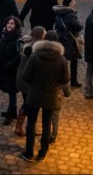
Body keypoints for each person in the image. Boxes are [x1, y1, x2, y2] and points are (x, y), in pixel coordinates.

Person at [18, 31, 70, 163]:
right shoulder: (62, 60)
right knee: (47, 124)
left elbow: (26, 76)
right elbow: (65, 80)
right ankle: (42, 154)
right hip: (52, 96)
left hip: (34, 94)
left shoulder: (35, 56)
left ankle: (29, 153)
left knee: (31, 123)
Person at [14, 26, 46, 137]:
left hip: (22, 80)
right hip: (28, 83)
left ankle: (23, 126)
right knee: (29, 105)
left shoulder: (26, 46)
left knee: (27, 103)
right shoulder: (35, 50)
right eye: (44, 34)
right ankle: (22, 128)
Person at [0, 16, 24, 126]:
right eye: (8, 23)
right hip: (3, 66)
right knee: (9, 91)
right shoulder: (4, 35)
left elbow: (18, 57)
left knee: (12, 92)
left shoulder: (18, 39)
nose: (9, 25)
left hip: (12, 70)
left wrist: (7, 65)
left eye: (12, 24)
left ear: (16, 26)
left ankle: (10, 115)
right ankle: (12, 111)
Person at [54, 0, 83, 88]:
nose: (75, 2)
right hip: (69, 40)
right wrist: (80, 23)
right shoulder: (70, 14)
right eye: (74, 1)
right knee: (73, 60)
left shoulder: (60, 12)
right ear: (70, 3)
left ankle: (61, 80)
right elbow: (78, 26)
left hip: (61, 38)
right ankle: (72, 81)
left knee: (63, 59)